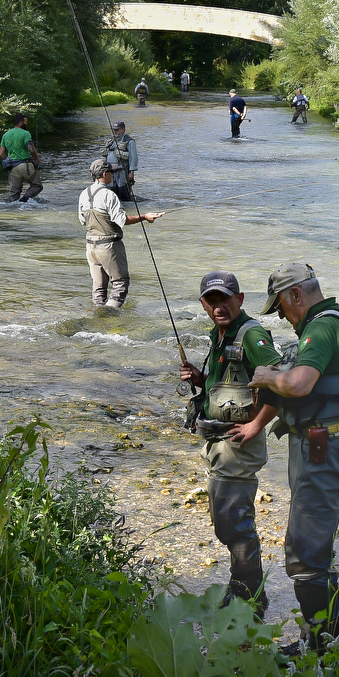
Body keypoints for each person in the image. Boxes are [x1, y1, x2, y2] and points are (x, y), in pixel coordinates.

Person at [248, 263, 339, 654]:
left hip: (324, 452)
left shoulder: (324, 327)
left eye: (280, 306)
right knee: (311, 550)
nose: (281, 316)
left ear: (296, 294)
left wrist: (264, 375)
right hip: (322, 447)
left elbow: (299, 383)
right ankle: (322, 642)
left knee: (306, 555)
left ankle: (325, 650)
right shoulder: (334, 320)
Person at [178, 270, 281, 621]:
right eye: (212, 300)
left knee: (233, 523)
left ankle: (251, 596)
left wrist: (256, 425)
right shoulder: (221, 335)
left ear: (240, 300)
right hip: (218, 442)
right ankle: (244, 587)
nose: (219, 306)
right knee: (225, 522)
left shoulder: (252, 335)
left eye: (225, 299)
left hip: (238, 444)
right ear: (204, 304)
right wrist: (200, 378)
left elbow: (280, 384)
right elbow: (231, 385)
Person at [77, 160, 164, 309]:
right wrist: (145, 217)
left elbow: (82, 221)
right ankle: (110, 315)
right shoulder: (109, 195)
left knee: (99, 287)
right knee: (120, 283)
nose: (112, 175)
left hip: (90, 247)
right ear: (104, 174)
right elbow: (122, 221)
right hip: (109, 246)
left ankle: (98, 315)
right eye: (111, 172)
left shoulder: (84, 194)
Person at [0, 112, 43, 202]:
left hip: (12, 168)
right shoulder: (25, 133)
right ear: (20, 122)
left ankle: (15, 209)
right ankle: (25, 198)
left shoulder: (5, 135)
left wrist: (8, 162)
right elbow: (31, 150)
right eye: (25, 122)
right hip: (25, 166)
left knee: (14, 194)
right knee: (37, 185)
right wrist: (37, 159)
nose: (26, 123)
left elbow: (1, 154)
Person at [104, 121, 138, 202]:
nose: (115, 131)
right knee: (112, 193)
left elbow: (133, 157)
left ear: (123, 130)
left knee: (123, 192)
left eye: (117, 130)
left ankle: (128, 208)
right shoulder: (111, 141)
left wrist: (131, 172)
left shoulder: (129, 141)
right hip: (111, 172)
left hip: (122, 171)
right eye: (114, 130)